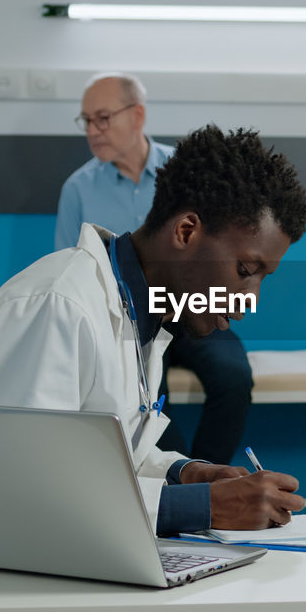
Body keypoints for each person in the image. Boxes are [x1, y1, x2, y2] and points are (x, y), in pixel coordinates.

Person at [0, 124, 306, 536]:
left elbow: (104, 464)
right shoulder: (55, 307)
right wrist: (202, 507)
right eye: (246, 271)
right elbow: (16, 491)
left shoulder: (139, 315)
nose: (250, 299)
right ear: (186, 232)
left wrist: (187, 474)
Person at [56, 72, 254, 465]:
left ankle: (208, 478)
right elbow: (69, 265)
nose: (92, 131)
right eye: (86, 121)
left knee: (234, 378)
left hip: (188, 308)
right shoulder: (77, 188)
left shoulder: (186, 174)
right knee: (146, 405)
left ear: (137, 116)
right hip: (125, 319)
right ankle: (176, 483)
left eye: (102, 118)